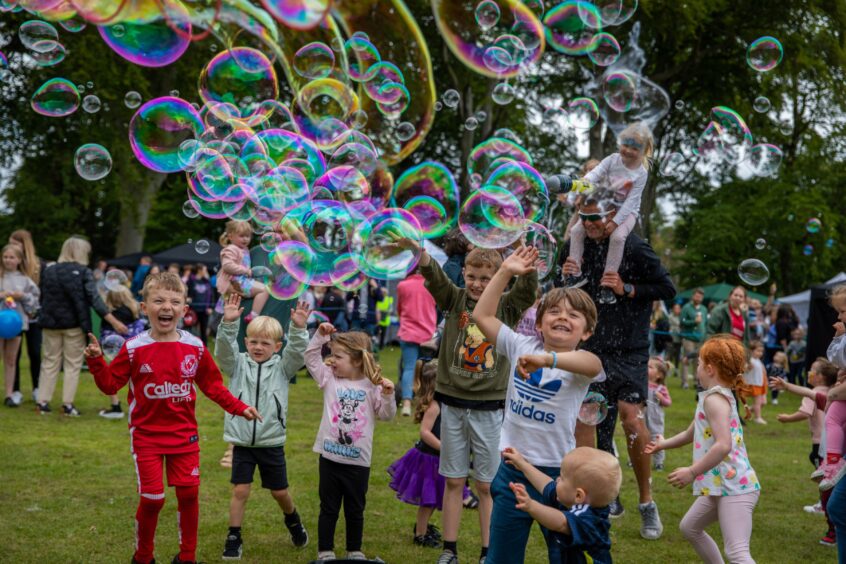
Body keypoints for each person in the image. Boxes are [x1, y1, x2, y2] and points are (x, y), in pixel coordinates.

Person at [84, 272, 260, 564]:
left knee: (189, 495)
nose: (167, 307)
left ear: (184, 310)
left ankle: (187, 556)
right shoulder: (133, 349)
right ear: (144, 308)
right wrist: (95, 360)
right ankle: (143, 557)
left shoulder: (194, 346)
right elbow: (109, 386)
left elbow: (213, 386)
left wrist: (238, 407)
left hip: (184, 436)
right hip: (147, 436)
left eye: (174, 301)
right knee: (153, 499)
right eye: (159, 301)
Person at [403, 239, 537, 564]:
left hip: (490, 408)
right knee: (453, 480)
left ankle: (487, 552)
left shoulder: (505, 306)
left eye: (486, 278)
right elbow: (435, 277)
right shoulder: (454, 299)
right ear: (463, 273)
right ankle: (449, 549)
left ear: (499, 278)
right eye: (472, 276)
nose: (477, 284)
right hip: (452, 404)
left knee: (486, 485)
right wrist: (419, 252)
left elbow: (526, 293)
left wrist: (525, 266)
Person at [473, 246, 604, 564]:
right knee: (501, 557)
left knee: (565, 556)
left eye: (574, 315)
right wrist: (505, 271)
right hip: (512, 470)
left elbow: (593, 363)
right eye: (555, 312)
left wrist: (547, 359)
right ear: (540, 323)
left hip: (560, 478)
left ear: (586, 332)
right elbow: (482, 316)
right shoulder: (520, 345)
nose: (563, 317)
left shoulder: (576, 364)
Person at [559, 197, 675, 539]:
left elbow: (667, 287)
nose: (590, 224)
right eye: (584, 217)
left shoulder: (636, 247)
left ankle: (646, 501)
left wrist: (628, 289)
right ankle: (597, 498)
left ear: (614, 214)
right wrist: (562, 277)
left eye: (596, 218)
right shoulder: (575, 244)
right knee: (589, 422)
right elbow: (559, 290)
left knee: (631, 417)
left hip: (630, 349)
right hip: (592, 347)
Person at [645, 336, 761, 563]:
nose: (696, 368)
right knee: (690, 527)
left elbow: (723, 445)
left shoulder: (714, 400)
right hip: (720, 485)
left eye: (698, 363)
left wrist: (692, 471)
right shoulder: (712, 397)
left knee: (737, 552)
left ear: (709, 369)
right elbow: (692, 433)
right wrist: (663, 443)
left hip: (735, 487)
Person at [215, 294, 310, 560]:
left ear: (277, 346)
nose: (258, 347)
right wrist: (229, 324)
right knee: (240, 489)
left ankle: (293, 520)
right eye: (253, 341)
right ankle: (234, 535)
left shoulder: (283, 368)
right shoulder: (237, 366)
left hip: (271, 443)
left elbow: (297, 353)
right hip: (242, 441)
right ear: (246, 342)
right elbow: (223, 350)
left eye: (265, 343)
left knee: (279, 492)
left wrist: (299, 328)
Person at [306, 322, 396, 561]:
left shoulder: (372, 386)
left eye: (338, 356)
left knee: (355, 510)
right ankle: (325, 551)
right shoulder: (329, 379)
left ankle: (354, 551)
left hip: (358, 463)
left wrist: (388, 395)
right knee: (329, 508)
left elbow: (386, 415)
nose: (332, 360)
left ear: (357, 360)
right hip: (330, 459)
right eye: (332, 355)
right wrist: (319, 336)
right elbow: (311, 357)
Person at [37, 236, 128, 416]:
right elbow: (95, 300)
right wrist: (114, 321)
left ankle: (42, 402)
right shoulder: (83, 272)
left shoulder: (49, 270)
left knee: (49, 361)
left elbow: (43, 297)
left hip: (49, 323)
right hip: (74, 325)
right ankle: (67, 404)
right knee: (72, 364)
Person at [564, 123, 654, 305]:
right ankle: (575, 274)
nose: (627, 150)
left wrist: (615, 222)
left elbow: (631, 201)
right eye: (625, 145)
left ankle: (607, 284)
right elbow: (593, 175)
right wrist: (579, 186)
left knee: (618, 238)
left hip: (626, 213)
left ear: (644, 151)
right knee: (575, 231)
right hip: (605, 207)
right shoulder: (612, 159)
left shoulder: (641, 173)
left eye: (634, 148)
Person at [501, 446, 622, 563]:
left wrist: (531, 506)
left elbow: (561, 523)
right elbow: (546, 485)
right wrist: (522, 464)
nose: (557, 479)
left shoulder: (589, 521)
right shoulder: (571, 501)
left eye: (562, 478)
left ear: (579, 496)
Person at [387, 358, 459, 548]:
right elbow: (425, 432)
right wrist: (444, 447)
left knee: (434, 500)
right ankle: (420, 534)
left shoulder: (444, 403)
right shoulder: (435, 406)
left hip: (438, 459)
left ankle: (423, 527)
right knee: (428, 501)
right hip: (429, 460)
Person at [775, 358, 837, 471]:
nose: (808, 372)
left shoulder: (814, 394)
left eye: (811, 370)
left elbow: (804, 413)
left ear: (821, 376)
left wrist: (787, 418)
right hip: (834, 441)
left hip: (819, 442)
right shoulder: (832, 393)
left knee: (823, 475)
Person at [98, 285, 146, 419]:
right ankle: (142, 406)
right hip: (134, 352)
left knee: (110, 378)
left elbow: (104, 335)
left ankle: (116, 406)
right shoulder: (133, 311)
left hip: (114, 352)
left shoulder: (109, 315)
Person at [0, 244, 40, 407]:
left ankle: (10, 394)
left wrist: (22, 296)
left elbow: (34, 302)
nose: (8, 260)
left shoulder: (25, 280)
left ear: (19, 260)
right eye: (5, 257)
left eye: (12, 257)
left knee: (11, 359)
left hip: (15, 324)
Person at [9, 229, 45, 405]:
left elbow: (42, 292)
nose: (12, 247)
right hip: (13, 318)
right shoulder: (9, 267)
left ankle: (37, 387)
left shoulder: (39, 266)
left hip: (34, 317)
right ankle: (14, 390)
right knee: (13, 354)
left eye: (15, 243)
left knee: (35, 352)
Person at [397, 266, 437, 417]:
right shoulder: (431, 284)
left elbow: (400, 308)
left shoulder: (402, 285)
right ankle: (426, 401)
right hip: (427, 332)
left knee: (409, 367)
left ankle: (406, 403)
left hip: (408, 331)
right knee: (427, 368)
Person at [217, 220, 269, 324]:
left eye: (248, 236)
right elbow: (227, 266)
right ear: (231, 236)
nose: (245, 239)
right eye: (241, 236)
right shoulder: (231, 249)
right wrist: (246, 271)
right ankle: (253, 315)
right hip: (236, 282)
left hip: (240, 282)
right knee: (265, 290)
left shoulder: (244, 249)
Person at [646, 357, 671, 471]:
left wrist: (661, 398)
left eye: (650, 367)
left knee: (657, 440)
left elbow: (668, 403)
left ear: (659, 375)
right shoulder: (642, 384)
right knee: (640, 438)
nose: (646, 368)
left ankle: (658, 462)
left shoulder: (661, 388)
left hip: (656, 419)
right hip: (642, 417)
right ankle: (636, 459)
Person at [680, 288, 707, 390]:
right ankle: (685, 382)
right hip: (688, 338)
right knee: (687, 359)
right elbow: (682, 322)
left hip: (701, 339)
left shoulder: (704, 309)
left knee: (698, 361)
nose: (698, 298)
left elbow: (705, 323)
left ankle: (697, 381)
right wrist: (693, 322)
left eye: (700, 296)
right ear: (693, 296)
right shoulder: (686, 307)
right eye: (697, 295)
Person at [187, 264, 214, 345]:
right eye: (204, 270)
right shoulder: (191, 280)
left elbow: (211, 295)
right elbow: (188, 292)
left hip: (204, 309)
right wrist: (188, 297)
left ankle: (204, 346)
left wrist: (209, 307)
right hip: (193, 309)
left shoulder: (206, 281)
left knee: (203, 328)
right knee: (191, 329)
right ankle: (191, 345)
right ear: (199, 270)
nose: (206, 272)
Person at [743, 341, 768, 424]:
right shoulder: (750, 360)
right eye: (758, 351)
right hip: (754, 383)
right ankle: (758, 418)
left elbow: (763, 371)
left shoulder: (758, 360)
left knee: (763, 402)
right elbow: (744, 370)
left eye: (761, 351)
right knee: (758, 402)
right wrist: (748, 368)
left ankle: (750, 410)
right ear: (751, 350)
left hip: (760, 383)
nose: (760, 353)